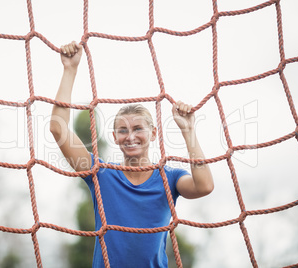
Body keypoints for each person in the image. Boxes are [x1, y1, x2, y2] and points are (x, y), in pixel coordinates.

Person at [50, 41, 214, 268]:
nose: (131, 136)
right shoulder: (101, 175)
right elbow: (58, 129)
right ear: (115, 137)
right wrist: (70, 69)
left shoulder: (170, 178)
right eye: (123, 130)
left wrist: (188, 130)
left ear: (153, 133)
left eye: (138, 129)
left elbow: (204, 186)